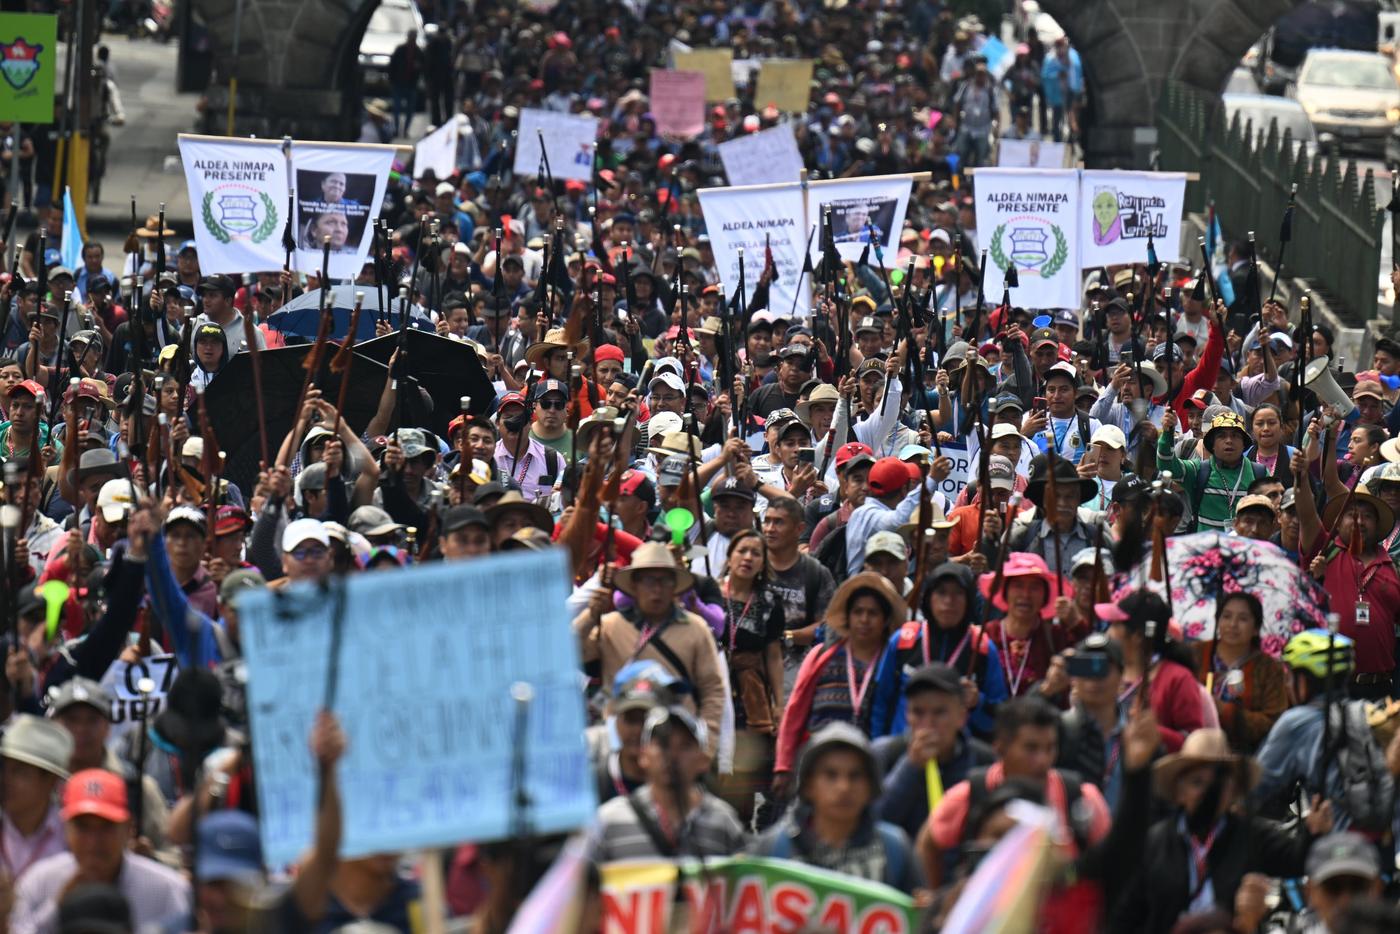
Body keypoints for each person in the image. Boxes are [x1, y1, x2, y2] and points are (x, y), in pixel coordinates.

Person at [1112, 728, 1329, 933]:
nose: (1208, 794)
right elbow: (1125, 917)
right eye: (1197, 783)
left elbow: (1298, 860)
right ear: (1179, 791)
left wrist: (1315, 833)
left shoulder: (1250, 835)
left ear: (1233, 790)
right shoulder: (1154, 844)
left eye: (1218, 785)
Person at [918, 695, 1112, 888]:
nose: (1043, 760)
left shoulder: (1083, 797)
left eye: (1050, 748)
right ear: (1000, 748)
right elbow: (928, 843)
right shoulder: (970, 795)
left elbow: (1111, 860)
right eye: (1031, 748)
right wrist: (935, 897)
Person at [573, 542, 725, 753]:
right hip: (620, 741)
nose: (657, 589)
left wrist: (707, 744)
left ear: (674, 586)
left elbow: (713, 690)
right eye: (648, 581)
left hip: (676, 743)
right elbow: (571, 649)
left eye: (664, 581)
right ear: (634, 586)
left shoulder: (695, 628)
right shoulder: (610, 625)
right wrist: (590, 615)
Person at [774, 573, 906, 797]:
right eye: (858, 612)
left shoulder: (894, 663)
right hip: (817, 761)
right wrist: (783, 765)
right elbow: (796, 710)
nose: (864, 619)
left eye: (873, 613)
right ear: (848, 617)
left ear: (885, 620)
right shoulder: (821, 656)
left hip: (869, 769)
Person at [752, 723, 925, 893]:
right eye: (830, 775)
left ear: (870, 787)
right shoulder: (774, 849)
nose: (844, 787)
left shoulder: (894, 849)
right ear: (808, 786)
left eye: (855, 776)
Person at [11, 770, 190, 932]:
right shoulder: (40, 881)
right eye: (83, 827)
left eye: (106, 827)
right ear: (66, 829)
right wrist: (57, 906)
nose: (93, 841)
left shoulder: (166, 889)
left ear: (128, 829)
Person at [870, 561, 1008, 740]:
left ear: (969, 600)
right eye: (941, 592)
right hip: (905, 752)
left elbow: (999, 718)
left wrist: (978, 702)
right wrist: (880, 752)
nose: (949, 601)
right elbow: (879, 702)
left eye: (958, 593)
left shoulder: (982, 648)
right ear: (929, 598)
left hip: (958, 759)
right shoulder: (904, 640)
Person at [588, 706, 745, 861]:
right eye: (662, 745)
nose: (672, 755)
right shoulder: (609, 822)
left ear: (703, 760)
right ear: (643, 756)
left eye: (685, 746)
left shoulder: (723, 823)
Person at [874, 663, 995, 842]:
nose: (928, 723)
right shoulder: (884, 753)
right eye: (918, 712)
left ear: (961, 717)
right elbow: (872, 824)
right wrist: (910, 766)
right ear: (907, 714)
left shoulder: (984, 761)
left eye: (939, 713)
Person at [1195, 593, 1290, 752]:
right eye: (1226, 616)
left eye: (1243, 619)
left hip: (1246, 755)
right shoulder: (1196, 653)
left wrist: (1226, 712)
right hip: (1197, 747)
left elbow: (1274, 721)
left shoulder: (1269, 668)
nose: (1232, 624)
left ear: (1255, 629)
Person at [0, 716, 72, 883]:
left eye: (20, 772)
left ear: (51, 781)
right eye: (4, 768)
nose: (6, 780)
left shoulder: (72, 835)